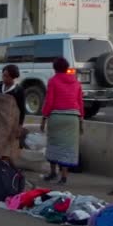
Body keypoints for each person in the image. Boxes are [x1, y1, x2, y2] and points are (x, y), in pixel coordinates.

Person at [40, 57, 84, 185]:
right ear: (66, 68)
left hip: (57, 117)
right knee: (68, 147)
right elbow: (80, 102)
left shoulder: (53, 81)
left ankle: (53, 173)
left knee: (53, 144)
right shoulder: (76, 82)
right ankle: (64, 177)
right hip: (73, 118)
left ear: (55, 68)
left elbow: (49, 101)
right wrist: (81, 120)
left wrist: (44, 118)